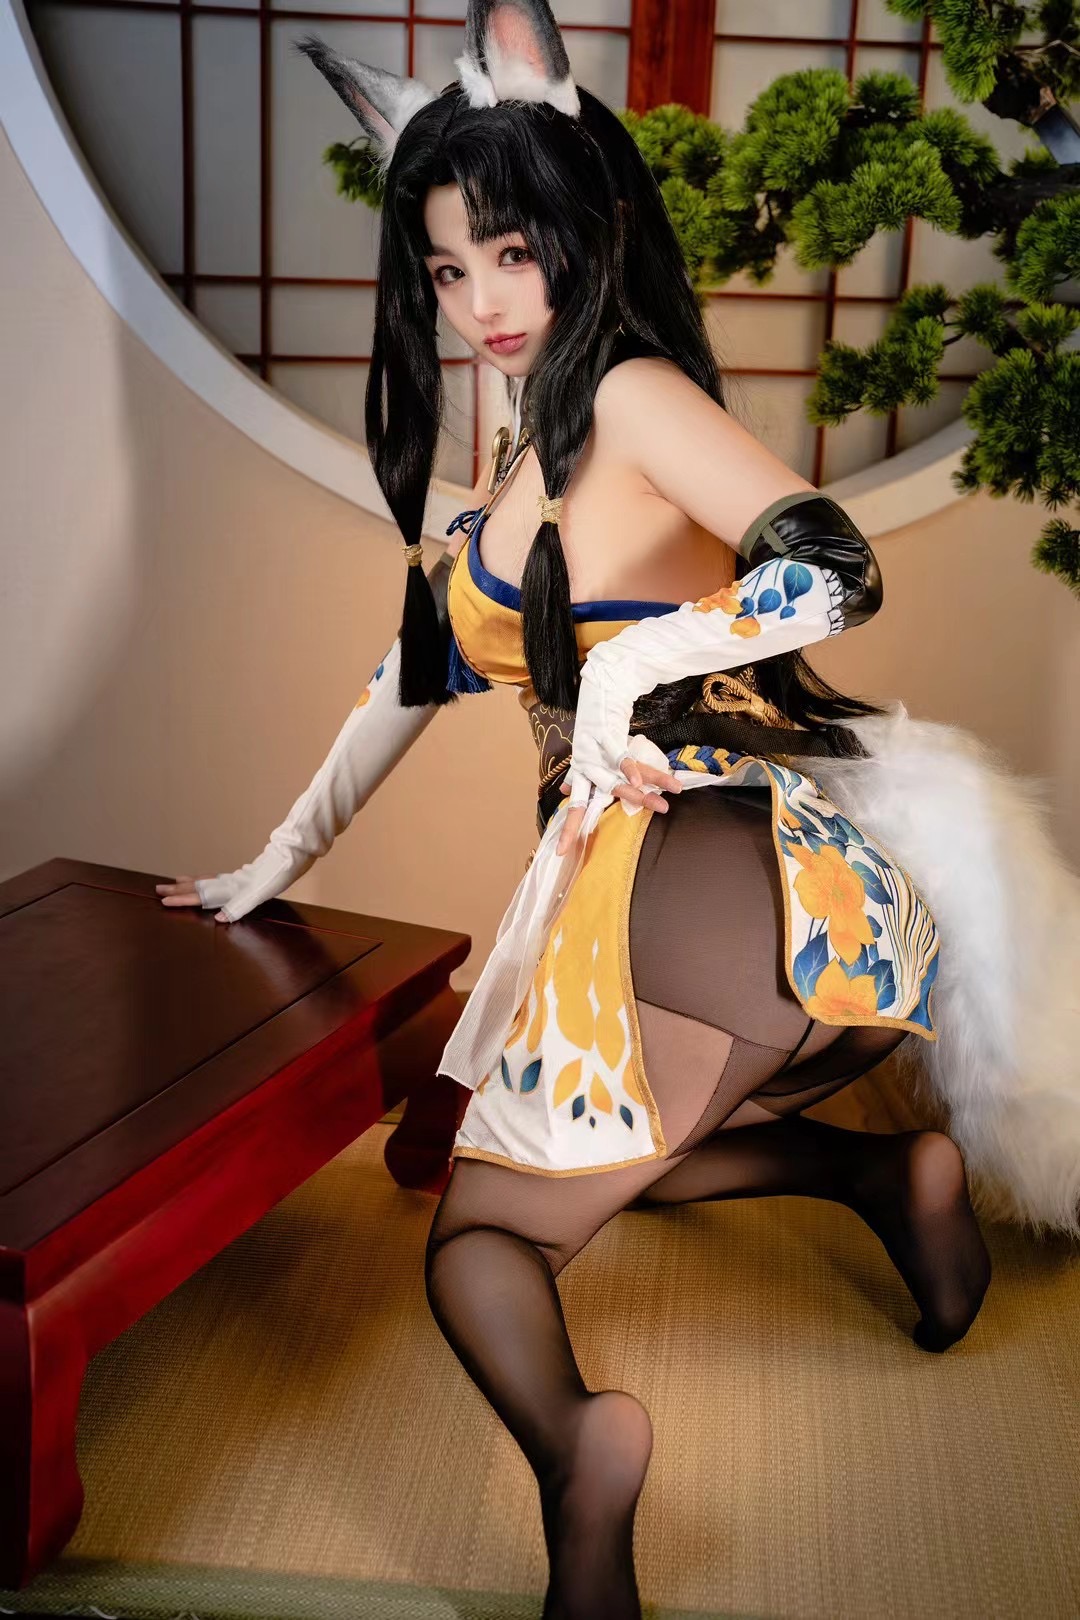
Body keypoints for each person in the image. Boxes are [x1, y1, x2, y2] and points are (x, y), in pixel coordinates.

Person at [156, 7, 1080, 1616]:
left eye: (510, 252)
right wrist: (272, 860)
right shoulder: (513, 473)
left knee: (481, 1248)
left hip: (722, 873)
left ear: (585, 228)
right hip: (751, 936)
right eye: (448, 268)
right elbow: (405, 683)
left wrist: (636, 664)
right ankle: (888, 1184)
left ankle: (586, 1456)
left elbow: (834, 567)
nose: (482, 301)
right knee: (609, 1154)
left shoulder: (640, 395)